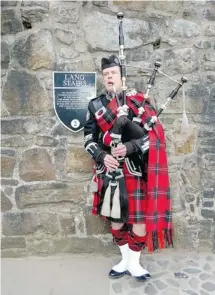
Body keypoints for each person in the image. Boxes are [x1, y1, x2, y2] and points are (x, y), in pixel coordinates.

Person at [84, 55, 173, 282]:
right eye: (105, 75)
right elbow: (88, 139)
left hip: (135, 170)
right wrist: (102, 156)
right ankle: (124, 259)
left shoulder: (139, 102)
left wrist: (129, 146)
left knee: (139, 219)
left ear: (122, 77)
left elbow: (154, 137)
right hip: (110, 172)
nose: (109, 78)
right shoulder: (95, 105)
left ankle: (134, 263)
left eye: (113, 74)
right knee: (117, 219)